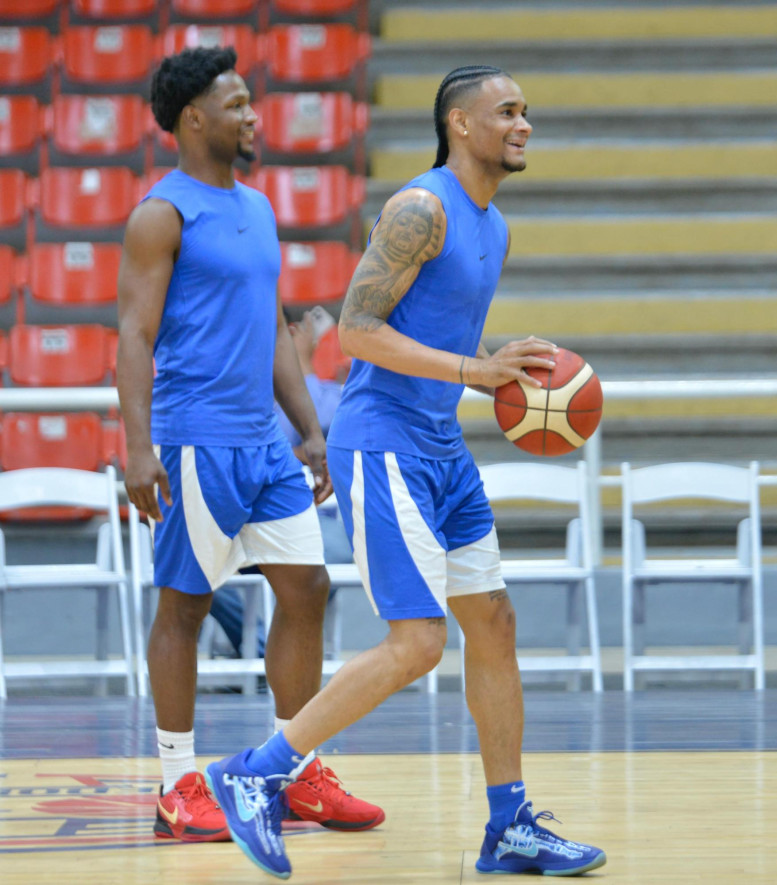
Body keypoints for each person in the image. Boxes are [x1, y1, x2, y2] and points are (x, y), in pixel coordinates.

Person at [205, 65, 607, 878]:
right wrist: (476, 370)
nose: (523, 124)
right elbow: (354, 331)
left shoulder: (492, 222)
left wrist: (488, 371)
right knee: (419, 640)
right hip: (382, 441)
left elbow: (446, 346)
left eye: (527, 111)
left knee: (490, 621)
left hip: (440, 446)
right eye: (506, 111)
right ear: (460, 124)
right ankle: (256, 772)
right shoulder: (421, 208)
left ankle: (510, 826)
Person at [116, 45, 383, 844]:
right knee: (186, 607)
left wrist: (310, 429)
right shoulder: (161, 214)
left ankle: (292, 770)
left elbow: (272, 332)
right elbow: (133, 334)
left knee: (307, 587)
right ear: (194, 118)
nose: (252, 115)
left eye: (250, 103)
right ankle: (175, 783)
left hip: (266, 445)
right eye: (236, 105)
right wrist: (137, 447)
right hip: (196, 440)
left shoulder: (259, 208)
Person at [209, 308, 351, 660]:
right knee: (193, 565)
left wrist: (301, 366)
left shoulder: (329, 392)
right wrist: (296, 453)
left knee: (326, 559)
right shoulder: (234, 386)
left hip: (307, 519)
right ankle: (262, 648)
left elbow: (325, 426)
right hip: (237, 520)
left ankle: (268, 652)